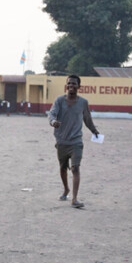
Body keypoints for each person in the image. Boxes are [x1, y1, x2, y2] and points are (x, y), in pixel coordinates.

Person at [47, 74, 99, 209]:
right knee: (63, 168)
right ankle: (66, 189)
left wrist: (94, 131)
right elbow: (52, 114)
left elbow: (87, 119)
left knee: (75, 168)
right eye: (69, 84)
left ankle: (75, 199)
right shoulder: (59, 101)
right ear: (66, 85)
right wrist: (53, 122)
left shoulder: (83, 103)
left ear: (79, 87)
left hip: (76, 142)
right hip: (62, 141)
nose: (71, 86)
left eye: (74, 84)